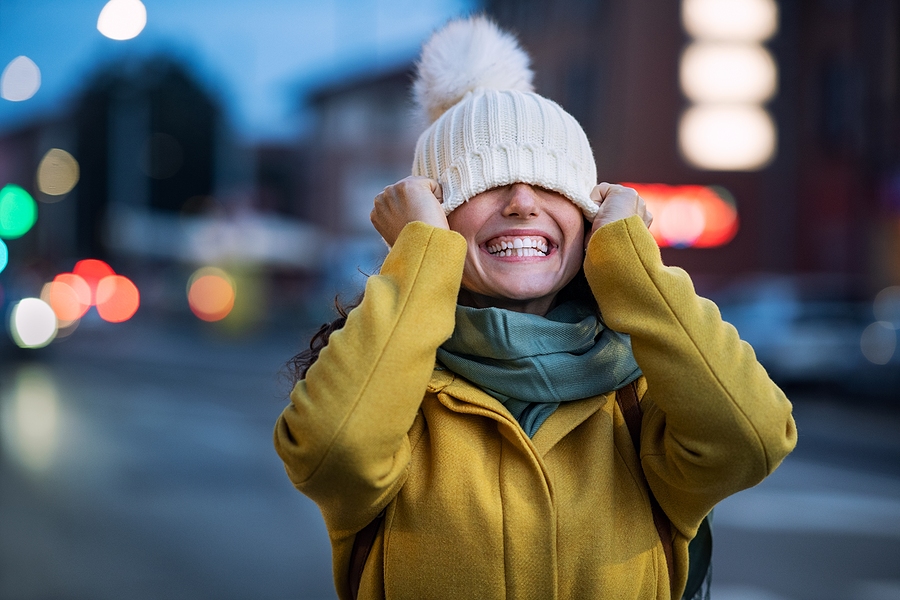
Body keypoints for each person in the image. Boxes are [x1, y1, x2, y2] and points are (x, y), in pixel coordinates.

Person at [275, 16, 797, 600]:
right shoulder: (393, 388)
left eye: (552, 185)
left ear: (591, 214)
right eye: (485, 183)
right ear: (434, 217)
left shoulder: (642, 397)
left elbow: (753, 440)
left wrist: (632, 265)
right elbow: (332, 452)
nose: (523, 201)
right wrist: (420, 259)